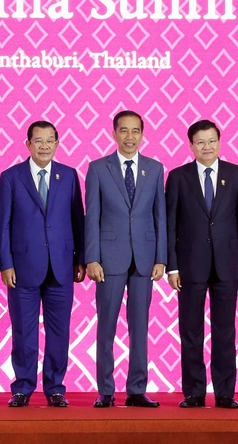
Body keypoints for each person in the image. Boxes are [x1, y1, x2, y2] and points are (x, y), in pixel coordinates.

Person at [0, 120, 85, 408]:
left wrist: (80, 259)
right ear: (28, 144)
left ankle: (56, 388)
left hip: (61, 266)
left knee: (60, 332)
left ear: (57, 144)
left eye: (50, 140)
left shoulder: (69, 175)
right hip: (22, 268)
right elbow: (4, 225)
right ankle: (22, 387)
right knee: (24, 331)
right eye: (39, 140)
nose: (45, 145)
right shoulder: (11, 177)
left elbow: (77, 220)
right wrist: (6, 263)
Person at [85, 111, 166, 408]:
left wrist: (161, 258)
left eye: (135, 131)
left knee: (140, 327)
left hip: (145, 259)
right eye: (124, 131)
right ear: (114, 133)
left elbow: (160, 216)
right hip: (108, 260)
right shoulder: (97, 168)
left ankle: (136, 389)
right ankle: (106, 390)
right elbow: (91, 216)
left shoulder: (155, 169)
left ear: (143, 134)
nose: (130, 137)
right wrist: (92, 257)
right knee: (106, 326)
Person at [166, 119, 238, 409]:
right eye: (200, 142)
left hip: (228, 266)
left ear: (220, 142)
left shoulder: (235, 175)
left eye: (211, 141)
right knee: (191, 331)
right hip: (190, 266)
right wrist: (172, 266)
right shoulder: (178, 176)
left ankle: (225, 393)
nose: (206, 146)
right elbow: (170, 224)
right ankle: (194, 391)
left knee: (225, 331)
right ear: (191, 145)